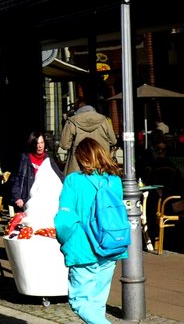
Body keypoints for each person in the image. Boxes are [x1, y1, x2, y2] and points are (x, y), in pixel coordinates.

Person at [55, 138, 128, 324]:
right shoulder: (114, 182)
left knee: (79, 302)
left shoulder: (73, 181)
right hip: (111, 245)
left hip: (83, 248)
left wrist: (65, 241)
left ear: (81, 158)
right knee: (97, 304)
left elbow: (65, 220)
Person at [59, 97, 117, 175]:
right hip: (101, 164)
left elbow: (64, 145)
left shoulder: (72, 121)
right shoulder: (104, 120)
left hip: (79, 165)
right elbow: (113, 141)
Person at [11, 131, 65, 211]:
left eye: (42, 143)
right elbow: (17, 180)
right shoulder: (25, 159)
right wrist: (17, 198)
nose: (40, 146)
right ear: (32, 144)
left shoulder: (48, 160)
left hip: (44, 201)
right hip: (27, 201)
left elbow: (60, 177)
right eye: (37, 143)